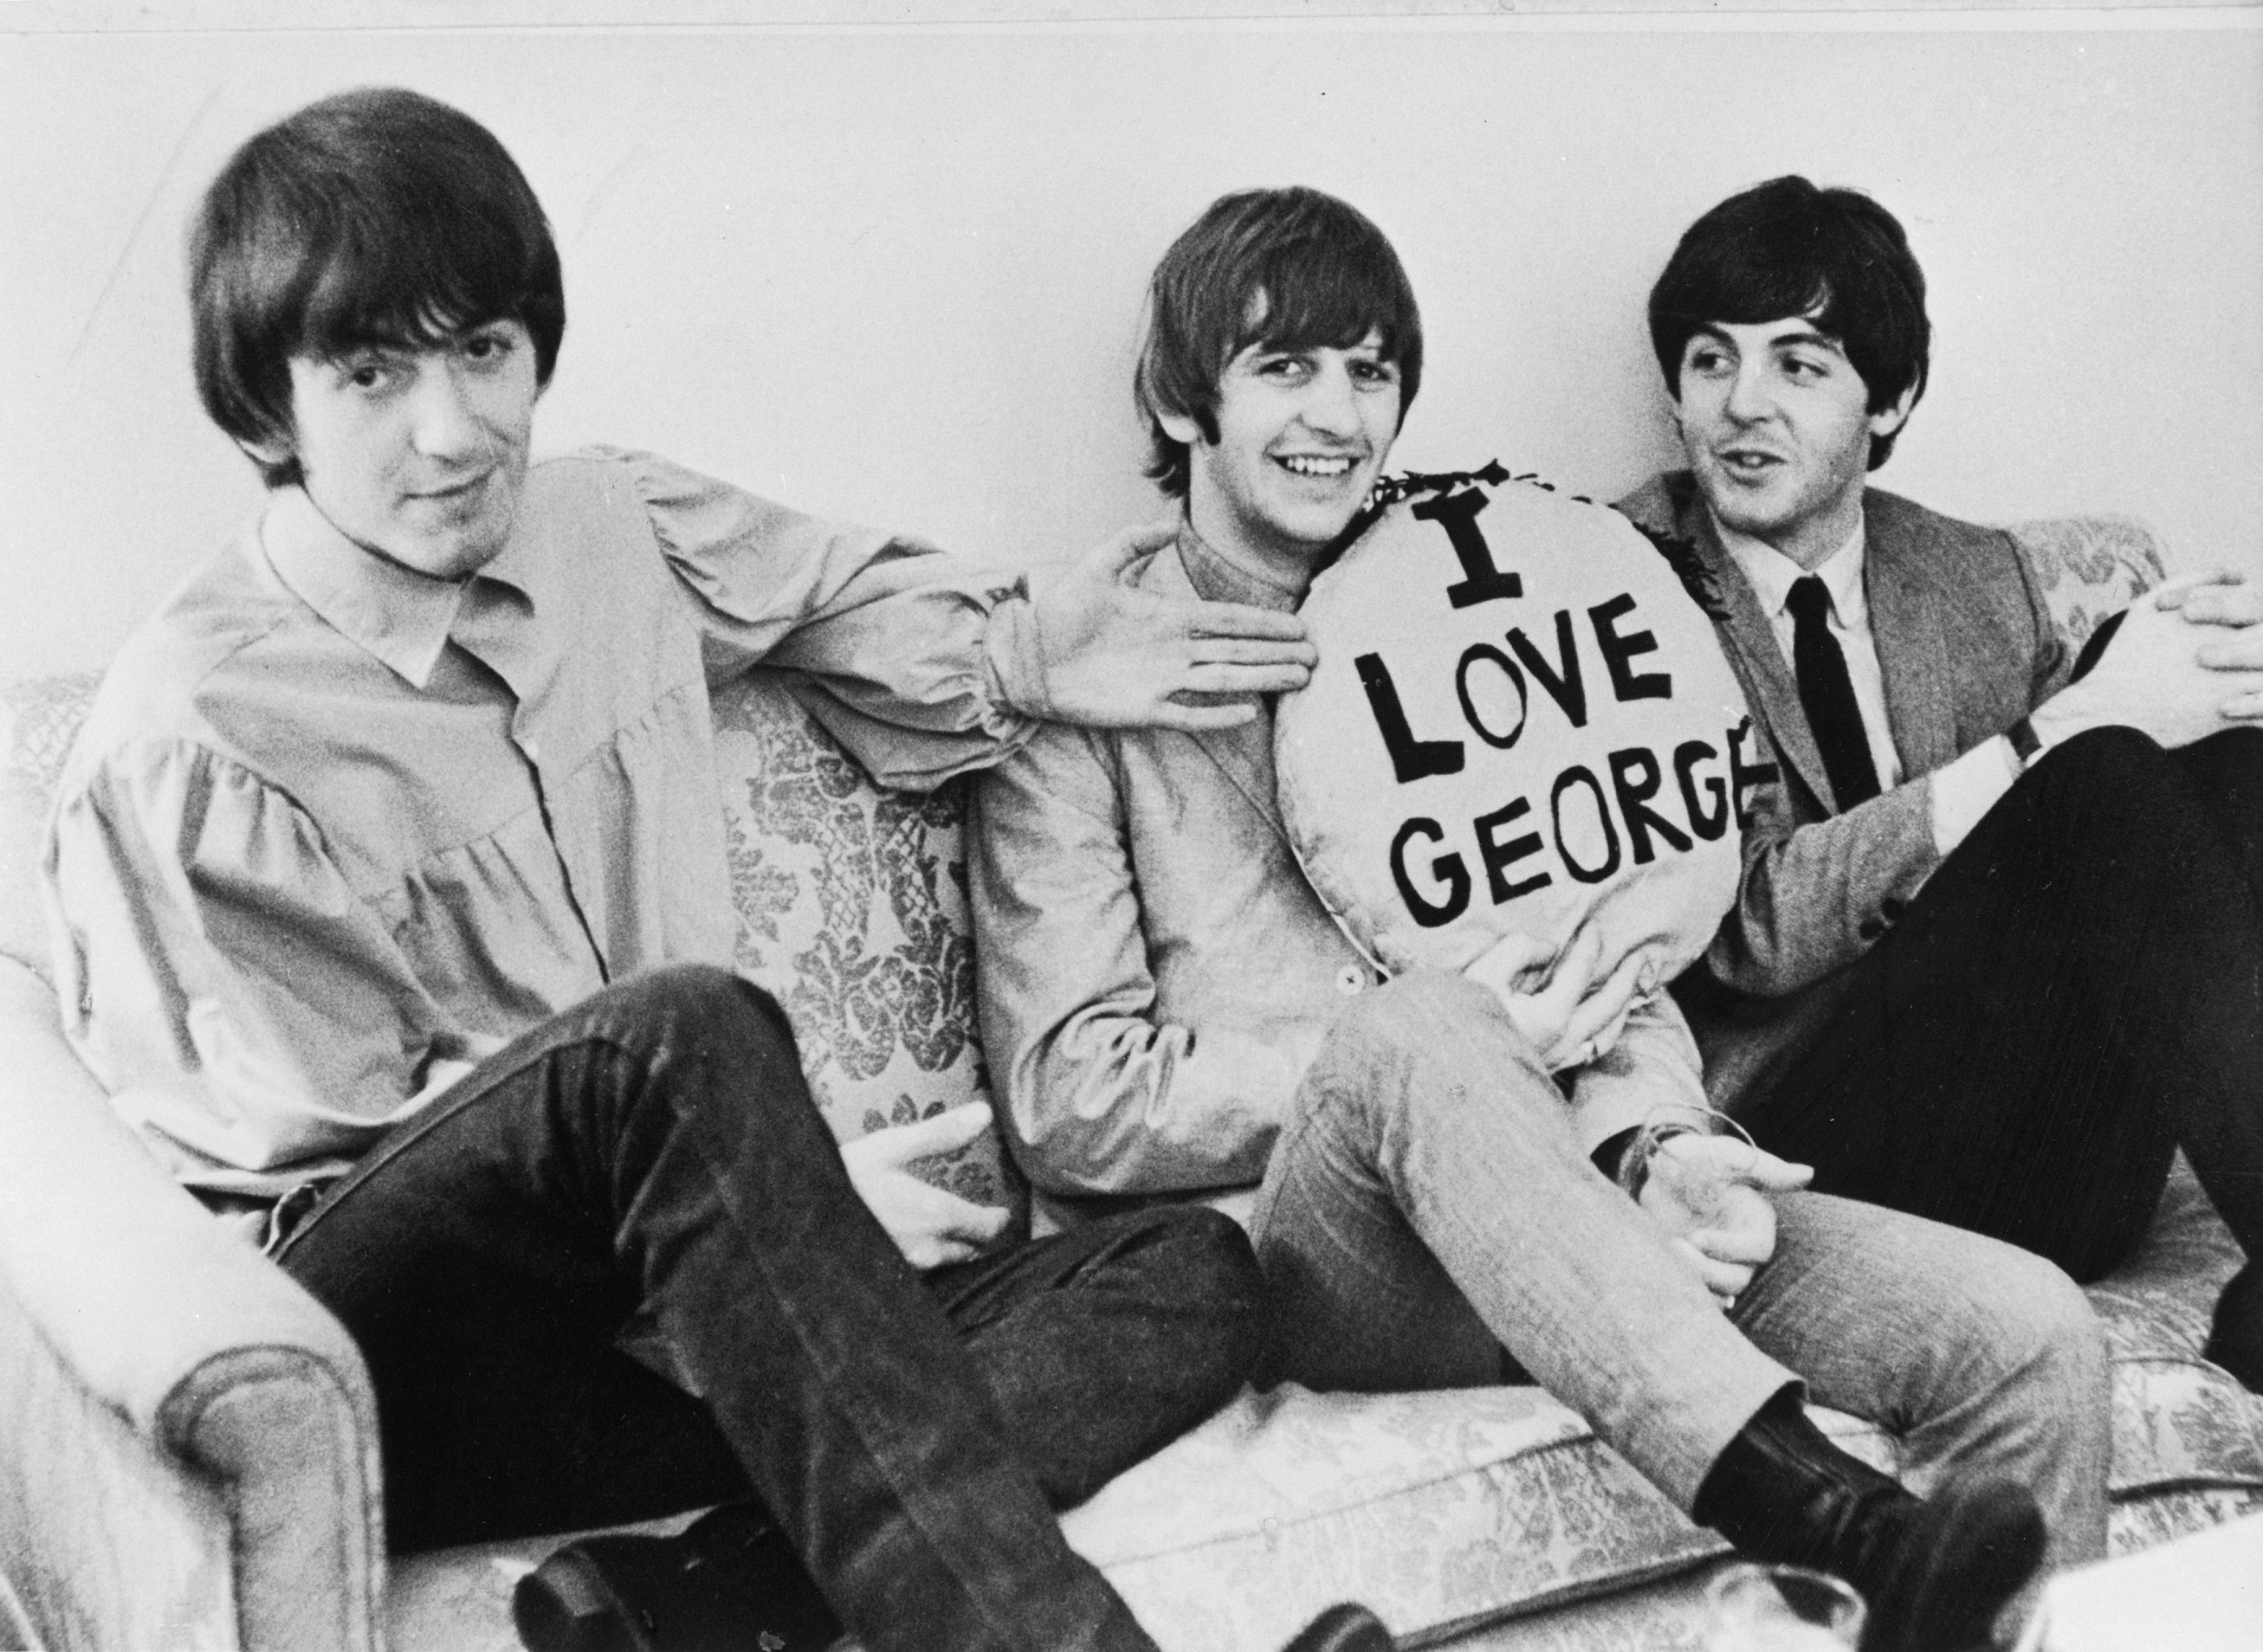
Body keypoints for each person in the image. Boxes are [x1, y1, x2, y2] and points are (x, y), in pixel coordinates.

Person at [39, 87, 1394, 1652]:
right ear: (268, 412)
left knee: (1189, 1277)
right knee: (672, 1036)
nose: (455, 427)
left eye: (485, 349)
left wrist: (1034, 655)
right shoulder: (195, 733)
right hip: (395, 1363)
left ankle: (694, 1605)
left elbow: (831, 599)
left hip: (663, 1333)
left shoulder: (605, 522)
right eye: (372, 372)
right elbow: (337, 1152)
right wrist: (770, 1214)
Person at [971, 185, 2111, 1652]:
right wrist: (1461, 1040)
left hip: (1581, 1204)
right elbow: (1073, 1096)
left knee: (2022, 1333)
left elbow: (1615, 943)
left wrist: (1658, 1143)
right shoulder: (1081, 680)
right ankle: (1832, 1520)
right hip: (1315, 1262)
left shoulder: (1473, 606)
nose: (1336, 415)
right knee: (1418, 1027)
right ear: (1184, 402)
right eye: (1283, 368)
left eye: (1369, 372)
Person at [1616, 174, 2263, 1391]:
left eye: (1798, 365)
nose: (1738, 407)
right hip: (1805, 1153)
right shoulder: (1616, 589)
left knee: (2230, 760)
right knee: (2094, 773)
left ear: (1891, 395)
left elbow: (2092, 879)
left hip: (2038, 1159)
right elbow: (1737, 933)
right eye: (1709, 361)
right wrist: (2061, 734)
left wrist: (2197, 671)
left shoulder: (1972, 576)